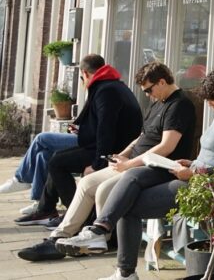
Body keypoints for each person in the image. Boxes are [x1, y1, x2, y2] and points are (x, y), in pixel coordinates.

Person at [60, 68, 214, 280]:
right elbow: (213, 155)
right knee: (132, 178)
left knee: (127, 206)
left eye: (213, 98)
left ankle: (120, 265)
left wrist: (194, 174)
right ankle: (101, 234)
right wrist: (192, 163)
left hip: (202, 186)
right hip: (191, 173)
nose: (210, 103)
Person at [18, 61, 196, 262]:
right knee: (86, 183)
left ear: (162, 82)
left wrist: (129, 164)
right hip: (133, 163)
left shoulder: (179, 104)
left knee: (103, 189)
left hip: (154, 168)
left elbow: (166, 146)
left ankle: (102, 237)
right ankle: (58, 238)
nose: (148, 95)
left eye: (149, 90)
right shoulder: (158, 102)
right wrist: (123, 154)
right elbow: (142, 136)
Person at [10, 55, 142, 225]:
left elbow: (106, 130)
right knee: (53, 158)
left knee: (57, 162)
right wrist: (82, 128)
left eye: (81, 78)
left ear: (85, 73)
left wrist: (97, 164)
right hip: (109, 147)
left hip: (114, 153)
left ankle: (77, 216)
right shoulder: (111, 85)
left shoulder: (106, 91)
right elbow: (105, 124)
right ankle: (45, 209)